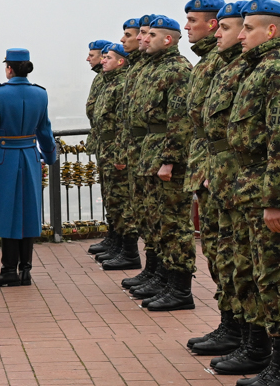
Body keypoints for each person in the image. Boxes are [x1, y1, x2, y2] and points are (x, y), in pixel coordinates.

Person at [222, 0, 280, 386]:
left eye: (249, 28)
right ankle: (262, 351)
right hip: (251, 186)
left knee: (278, 280)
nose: (241, 35)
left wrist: (276, 199)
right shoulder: (257, 69)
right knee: (256, 274)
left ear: (271, 32)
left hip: (270, 193)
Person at [203, 2, 263, 374]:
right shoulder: (229, 67)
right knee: (228, 259)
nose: (223, 35)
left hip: (248, 183)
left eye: (226, 28)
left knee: (256, 270)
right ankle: (237, 330)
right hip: (225, 174)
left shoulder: (266, 72)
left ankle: (261, 349)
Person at [125, 15, 196, 311]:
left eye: (150, 35)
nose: (144, 39)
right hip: (148, 150)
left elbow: (178, 120)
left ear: (168, 39)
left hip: (164, 154)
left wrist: (170, 160)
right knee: (155, 220)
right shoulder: (150, 68)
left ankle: (180, 288)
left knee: (173, 223)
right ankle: (162, 277)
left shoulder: (177, 70)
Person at [181, 0, 239, 352]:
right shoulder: (208, 63)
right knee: (219, 253)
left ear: (213, 24)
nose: (188, 26)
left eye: (193, 20)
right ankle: (230, 325)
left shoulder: (224, 64)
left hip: (225, 173)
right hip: (210, 167)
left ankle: (241, 333)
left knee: (234, 258)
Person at [0, 49, 57, 286]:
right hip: (30, 156)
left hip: (2, 159)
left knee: (6, 214)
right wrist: (50, 156)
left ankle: (9, 270)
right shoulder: (41, 94)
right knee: (28, 213)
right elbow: (45, 131)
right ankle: (25, 270)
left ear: (9, 68)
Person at [97, 21, 144, 272]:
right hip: (111, 148)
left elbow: (123, 121)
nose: (103, 61)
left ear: (121, 62)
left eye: (108, 57)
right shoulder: (111, 82)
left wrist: (120, 152)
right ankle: (119, 245)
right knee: (114, 200)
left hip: (123, 150)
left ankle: (129, 252)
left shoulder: (122, 82)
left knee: (125, 204)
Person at [84, 40, 117, 258]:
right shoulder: (102, 78)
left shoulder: (114, 81)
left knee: (118, 197)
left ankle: (124, 245)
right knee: (110, 195)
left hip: (113, 145)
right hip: (103, 143)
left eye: (93, 55)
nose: (90, 59)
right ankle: (114, 239)